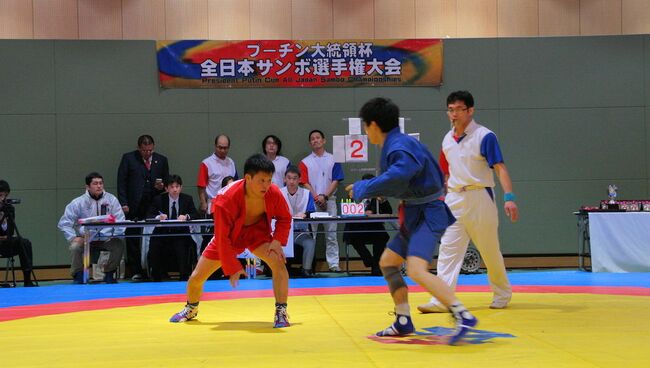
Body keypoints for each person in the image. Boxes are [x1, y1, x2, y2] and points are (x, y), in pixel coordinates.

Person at [347, 97, 477, 345]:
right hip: (418, 211)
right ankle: (403, 320)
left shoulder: (398, 146)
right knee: (388, 262)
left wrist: (366, 187)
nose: (366, 132)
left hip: (428, 212)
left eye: (366, 126)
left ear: (373, 125)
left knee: (417, 269)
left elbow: (400, 175)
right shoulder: (398, 142)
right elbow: (404, 178)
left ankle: (463, 314)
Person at [418, 90, 519, 313]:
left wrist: (509, 198)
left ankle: (502, 293)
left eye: (459, 109)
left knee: (489, 250)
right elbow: (444, 173)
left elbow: (500, 168)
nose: (454, 114)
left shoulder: (485, 136)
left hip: (479, 196)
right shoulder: (447, 139)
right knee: (447, 250)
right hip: (454, 198)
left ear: (470, 111)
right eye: (450, 110)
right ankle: (441, 299)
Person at [170, 154, 292, 328]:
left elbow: (285, 218)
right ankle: (191, 308)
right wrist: (232, 266)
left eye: (269, 180)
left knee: (278, 263)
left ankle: (281, 310)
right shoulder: (225, 199)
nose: (266, 185)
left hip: (257, 233)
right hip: (229, 237)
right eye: (262, 180)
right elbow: (221, 238)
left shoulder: (273, 192)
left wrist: (278, 241)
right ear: (248, 178)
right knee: (196, 278)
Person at [117, 134, 169, 280]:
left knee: (156, 236)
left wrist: (161, 186)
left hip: (153, 203)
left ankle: (155, 268)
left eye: (150, 151)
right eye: (144, 151)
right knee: (133, 237)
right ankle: (135, 270)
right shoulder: (128, 158)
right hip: (134, 203)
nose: (147, 153)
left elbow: (167, 182)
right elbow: (121, 182)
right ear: (139, 148)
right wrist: (123, 203)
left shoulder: (162, 160)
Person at [58, 172, 125, 284]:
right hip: (86, 239)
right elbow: (64, 223)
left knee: (118, 244)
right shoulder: (78, 202)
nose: (99, 186)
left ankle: (109, 273)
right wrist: (73, 237)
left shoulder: (112, 200)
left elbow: (120, 220)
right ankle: (78, 274)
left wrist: (115, 234)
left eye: (101, 183)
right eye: (95, 183)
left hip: (106, 238)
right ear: (88, 187)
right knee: (75, 247)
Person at [299, 129, 344, 272]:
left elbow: (336, 179)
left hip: (330, 201)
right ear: (310, 143)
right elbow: (304, 182)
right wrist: (316, 198)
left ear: (324, 140)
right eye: (312, 138)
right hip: (312, 203)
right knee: (311, 235)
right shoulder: (305, 162)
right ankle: (309, 265)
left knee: (331, 235)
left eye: (318, 138)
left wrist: (325, 196)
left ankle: (334, 265)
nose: (315, 140)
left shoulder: (333, 159)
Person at [147, 175, 199, 282]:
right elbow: (149, 215)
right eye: (172, 187)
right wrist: (158, 217)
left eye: (177, 186)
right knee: (155, 243)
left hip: (180, 234)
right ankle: (156, 276)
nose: (175, 189)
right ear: (166, 188)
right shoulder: (159, 199)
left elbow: (196, 214)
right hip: (162, 233)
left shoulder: (187, 199)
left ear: (181, 187)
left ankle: (184, 276)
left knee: (184, 244)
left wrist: (186, 216)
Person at [343, 174, 392, 276]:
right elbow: (347, 212)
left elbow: (389, 211)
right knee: (352, 237)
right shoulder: (354, 194)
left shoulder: (379, 196)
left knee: (381, 238)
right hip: (357, 229)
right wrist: (362, 213)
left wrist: (383, 201)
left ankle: (375, 267)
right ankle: (370, 261)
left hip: (374, 228)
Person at [197, 134, 238, 253]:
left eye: (225, 148)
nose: (223, 150)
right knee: (212, 236)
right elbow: (201, 185)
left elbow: (235, 184)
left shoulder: (231, 162)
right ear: (215, 146)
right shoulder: (206, 163)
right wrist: (203, 202)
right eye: (220, 147)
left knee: (229, 236)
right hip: (213, 205)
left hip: (229, 206)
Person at [280, 166, 316, 277]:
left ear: (299, 180)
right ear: (285, 179)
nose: (291, 181)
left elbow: (312, 211)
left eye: (295, 178)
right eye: (289, 178)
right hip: (283, 233)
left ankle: (306, 270)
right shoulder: (278, 193)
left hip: (300, 232)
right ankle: (279, 271)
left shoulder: (306, 193)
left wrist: (305, 214)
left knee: (310, 242)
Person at [0, 180, 36, 287]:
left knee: (24, 243)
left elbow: (10, 232)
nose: (3, 198)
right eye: (0, 195)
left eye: (5, 195)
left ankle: (27, 279)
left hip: (5, 242)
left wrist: (4, 214)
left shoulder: (9, 209)